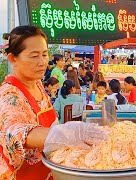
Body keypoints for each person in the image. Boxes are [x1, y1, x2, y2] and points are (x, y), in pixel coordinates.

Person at [0, 25, 108, 180]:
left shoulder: (37, 84)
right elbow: (13, 131)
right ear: (12, 59)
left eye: (44, 55)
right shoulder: (8, 94)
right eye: (34, 56)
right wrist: (63, 134)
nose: (42, 62)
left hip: (48, 171)